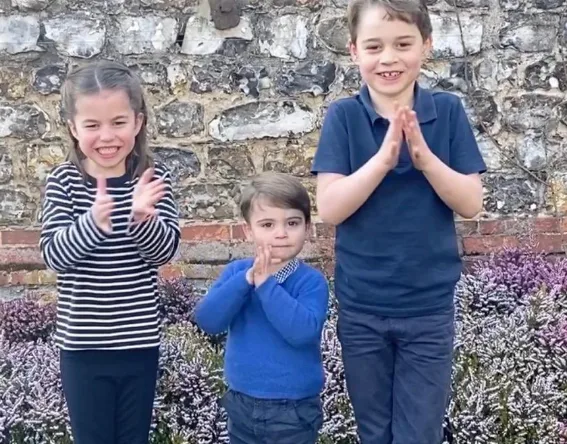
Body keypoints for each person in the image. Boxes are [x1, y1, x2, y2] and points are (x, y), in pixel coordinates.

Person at [311, 0, 487, 443]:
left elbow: (470, 202)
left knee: (418, 434)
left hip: (428, 309)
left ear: (425, 47)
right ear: (354, 51)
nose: (388, 58)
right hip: (362, 308)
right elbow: (330, 208)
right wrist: (383, 161)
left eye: (403, 44)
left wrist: (424, 158)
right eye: (374, 46)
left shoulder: (446, 112)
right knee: (375, 432)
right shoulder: (344, 117)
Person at [39, 60, 180, 444]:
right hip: (83, 348)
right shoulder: (64, 181)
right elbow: (53, 253)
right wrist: (92, 224)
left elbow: (163, 252)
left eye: (118, 122)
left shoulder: (153, 177)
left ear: (138, 122)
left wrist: (140, 219)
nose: (107, 136)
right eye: (92, 125)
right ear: (73, 127)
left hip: (138, 346)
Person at [194, 172, 329, 444]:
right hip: (241, 404)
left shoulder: (311, 282)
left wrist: (266, 284)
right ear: (248, 230)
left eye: (292, 222)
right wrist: (247, 281)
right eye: (267, 224)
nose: (281, 233)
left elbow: (301, 332)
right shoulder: (237, 273)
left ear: (307, 227)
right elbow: (208, 320)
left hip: (293, 411)